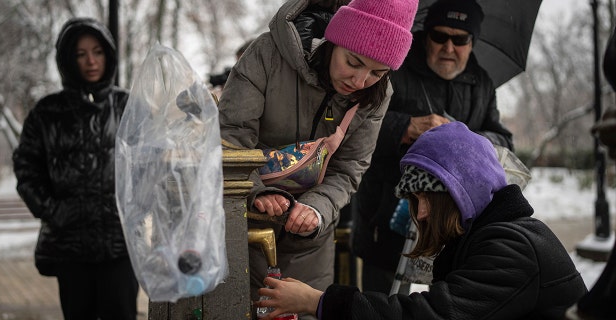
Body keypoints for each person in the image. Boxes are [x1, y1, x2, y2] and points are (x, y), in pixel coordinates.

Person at [256, 122, 588, 319]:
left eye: (430, 198)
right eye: (416, 201)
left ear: (464, 191)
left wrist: (318, 301)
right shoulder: (489, 236)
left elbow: (430, 315)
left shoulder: (511, 247)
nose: (423, 213)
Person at [217, 0, 418, 318]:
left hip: (309, 243)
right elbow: (231, 138)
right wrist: (257, 190)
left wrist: (317, 207)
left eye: (378, 72)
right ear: (334, 41)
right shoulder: (268, 54)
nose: (360, 81)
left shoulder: (378, 94)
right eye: (353, 62)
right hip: (245, 226)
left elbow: (350, 167)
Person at [350, 0, 515, 294]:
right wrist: (406, 127)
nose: (448, 48)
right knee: (378, 301)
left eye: (460, 39)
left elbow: (503, 139)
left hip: (456, 222)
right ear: (426, 36)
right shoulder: (392, 69)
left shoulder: (483, 83)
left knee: (451, 298)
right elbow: (356, 122)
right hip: (388, 212)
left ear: (472, 42)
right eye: (440, 36)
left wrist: (468, 141)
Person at [12, 18, 138, 320]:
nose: (91, 60)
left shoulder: (127, 106)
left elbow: (154, 165)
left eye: (97, 51)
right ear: (68, 58)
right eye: (81, 54)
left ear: (108, 54)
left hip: (121, 247)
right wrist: (55, 211)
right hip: (71, 248)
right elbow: (26, 169)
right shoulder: (47, 112)